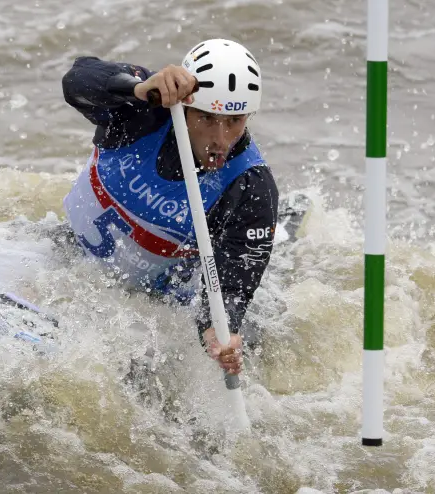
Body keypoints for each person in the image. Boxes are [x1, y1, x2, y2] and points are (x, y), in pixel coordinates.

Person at [61, 39, 279, 376]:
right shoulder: (140, 111)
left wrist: (218, 329)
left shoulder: (250, 187)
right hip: (65, 253)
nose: (220, 139)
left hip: (157, 304)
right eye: (207, 117)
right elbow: (76, 81)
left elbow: (231, 286)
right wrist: (137, 89)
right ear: (187, 108)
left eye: (234, 120)